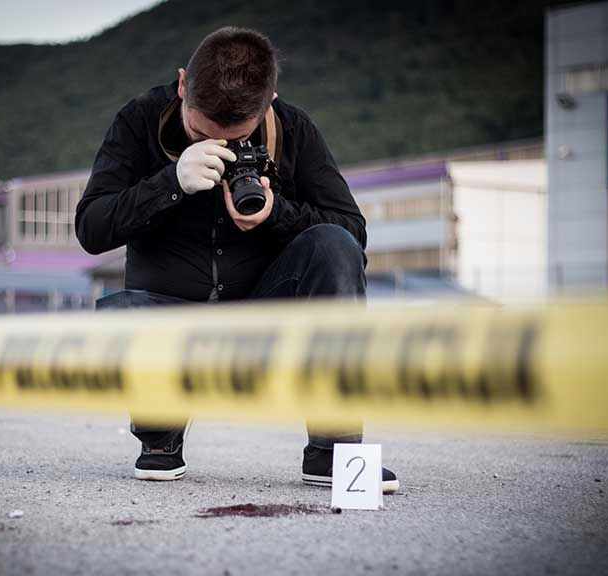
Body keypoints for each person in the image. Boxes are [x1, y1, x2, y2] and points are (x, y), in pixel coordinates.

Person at [75, 26, 398, 493]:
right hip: (171, 317)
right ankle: (160, 437)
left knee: (333, 244)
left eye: (237, 139)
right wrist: (171, 182)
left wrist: (276, 214)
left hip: (262, 316)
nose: (222, 149)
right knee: (124, 310)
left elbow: (353, 233)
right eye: (203, 135)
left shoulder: (293, 127)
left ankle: (335, 451)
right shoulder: (138, 120)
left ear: (269, 102)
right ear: (183, 85)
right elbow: (91, 228)